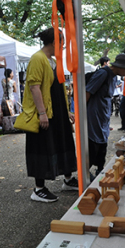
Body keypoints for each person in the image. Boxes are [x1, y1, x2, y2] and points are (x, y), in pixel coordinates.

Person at [21, 27, 78, 203]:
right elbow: (34, 87)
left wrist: (66, 110)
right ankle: (38, 189)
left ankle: (68, 180)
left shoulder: (52, 60)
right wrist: (42, 113)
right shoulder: (37, 59)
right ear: (55, 42)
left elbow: (56, 90)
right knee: (42, 148)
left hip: (58, 113)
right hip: (45, 114)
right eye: (62, 42)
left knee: (62, 143)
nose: (63, 45)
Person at [86, 54, 125, 176]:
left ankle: (99, 169)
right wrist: (79, 113)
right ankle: (85, 172)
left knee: (102, 142)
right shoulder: (103, 73)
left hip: (103, 113)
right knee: (93, 143)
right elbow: (87, 92)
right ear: (120, 67)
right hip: (94, 112)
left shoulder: (113, 76)